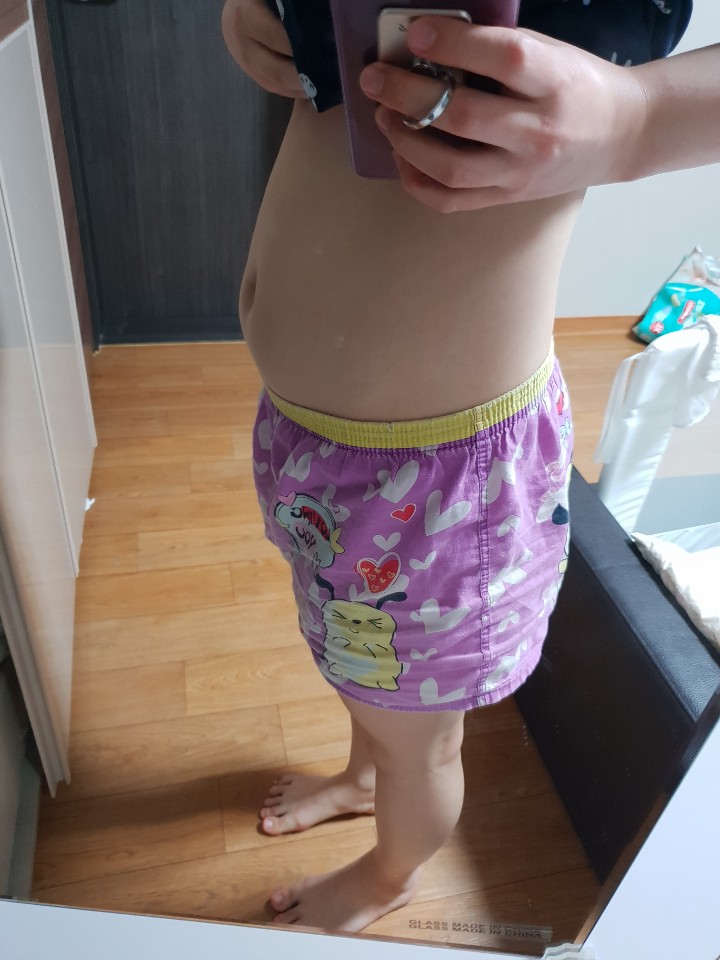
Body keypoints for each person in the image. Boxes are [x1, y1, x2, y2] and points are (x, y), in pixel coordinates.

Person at [221, 0, 719, 934]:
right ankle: (363, 778)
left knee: (422, 740)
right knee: (362, 663)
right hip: (309, 440)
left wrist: (641, 116)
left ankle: (390, 874)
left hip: (443, 486)